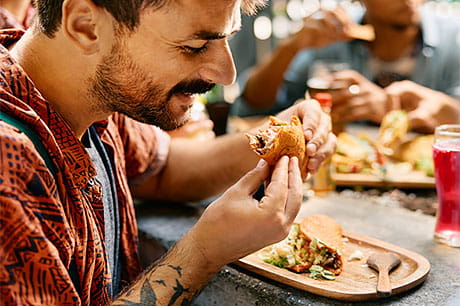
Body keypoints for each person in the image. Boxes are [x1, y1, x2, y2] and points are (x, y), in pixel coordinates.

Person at [0, 0, 336, 305]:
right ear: (85, 25)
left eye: (225, 39)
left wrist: (280, 131)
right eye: (196, 46)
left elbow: (163, 170)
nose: (225, 72)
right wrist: (203, 252)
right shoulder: (8, 166)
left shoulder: (94, 88)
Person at [235, 0, 460, 133]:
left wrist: (390, 107)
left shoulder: (454, 36)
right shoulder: (333, 34)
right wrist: (290, 46)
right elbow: (254, 106)